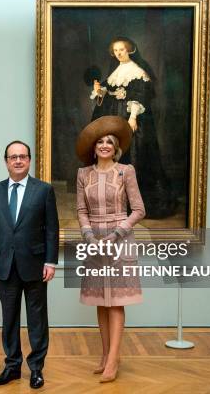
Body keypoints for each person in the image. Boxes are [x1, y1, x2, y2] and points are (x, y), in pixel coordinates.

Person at [0, 140, 59, 389]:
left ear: (29, 160)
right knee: (9, 320)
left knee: (37, 319)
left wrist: (50, 261)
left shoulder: (44, 190)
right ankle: (12, 366)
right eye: (13, 157)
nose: (17, 160)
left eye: (22, 157)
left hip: (35, 265)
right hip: (4, 265)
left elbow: (51, 230)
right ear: (6, 161)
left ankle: (36, 368)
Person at [75, 115, 145, 383]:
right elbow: (81, 209)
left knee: (115, 303)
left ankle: (114, 360)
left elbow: (139, 209)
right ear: (93, 147)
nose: (104, 145)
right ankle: (105, 356)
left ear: (116, 147)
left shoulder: (125, 171)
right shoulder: (83, 174)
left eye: (110, 142)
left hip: (120, 240)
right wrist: (89, 236)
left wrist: (117, 233)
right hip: (93, 242)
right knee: (100, 302)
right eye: (100, 141)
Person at [90, 36, 175, 218]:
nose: (119, 53)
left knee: (133, 155)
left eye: (122, 49)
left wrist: (133, 117)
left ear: (129, 49)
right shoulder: (115, 71)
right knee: (114, 155)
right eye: (116, 51)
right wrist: (100, 91)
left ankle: (133, 204)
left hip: (131, 119)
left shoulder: (138, 72)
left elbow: (140, 95)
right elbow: (109, 91)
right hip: (115, 118)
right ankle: (114, 203)